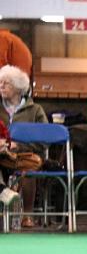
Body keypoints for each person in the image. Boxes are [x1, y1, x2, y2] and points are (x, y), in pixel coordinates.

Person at [0, 65, 46, 228]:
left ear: (19, 88)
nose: (2, 86)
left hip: (26, 156)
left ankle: (27, 215)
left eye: (7, 83)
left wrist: (18, 146)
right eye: (0, 83)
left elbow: (44, 139)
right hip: (2, 156)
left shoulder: (35, 110)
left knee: (28, 171)